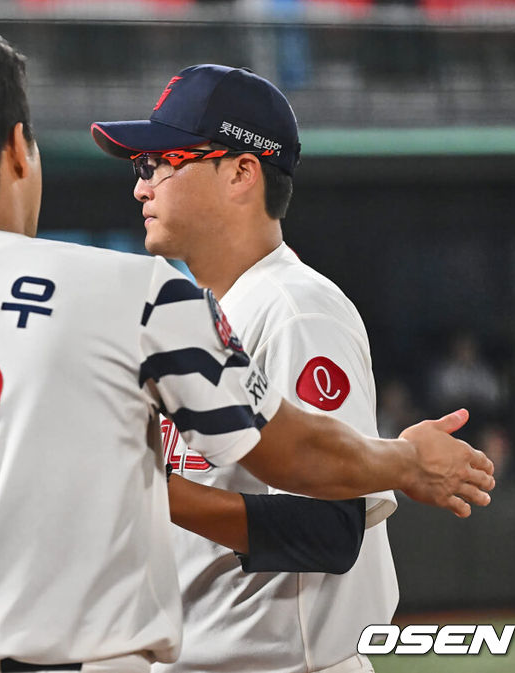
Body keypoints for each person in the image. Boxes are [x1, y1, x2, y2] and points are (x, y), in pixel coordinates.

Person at [0, 28, 493, 673]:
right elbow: (295, 456)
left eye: (162, 162)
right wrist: (401, 458)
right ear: (19, 150)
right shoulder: (129, 296)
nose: (141, 184)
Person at [90, 65, 403, 673]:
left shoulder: (295, 308)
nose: (141, 187)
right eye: (139, 168)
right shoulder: (204, 316)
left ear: (240, 172)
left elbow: (329, 531)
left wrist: (149, 493)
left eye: (160, 162)